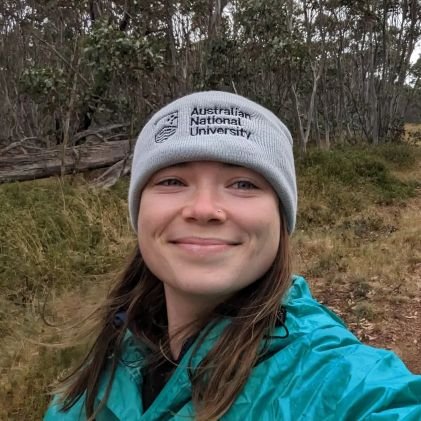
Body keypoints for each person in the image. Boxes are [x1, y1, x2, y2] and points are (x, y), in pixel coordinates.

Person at [44, 91, 421, 421]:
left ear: (280, 217)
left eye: (243, 184)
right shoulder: (102, 364)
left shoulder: (336, 380)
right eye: (172, 181)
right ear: (139, 211)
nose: (204, 209)